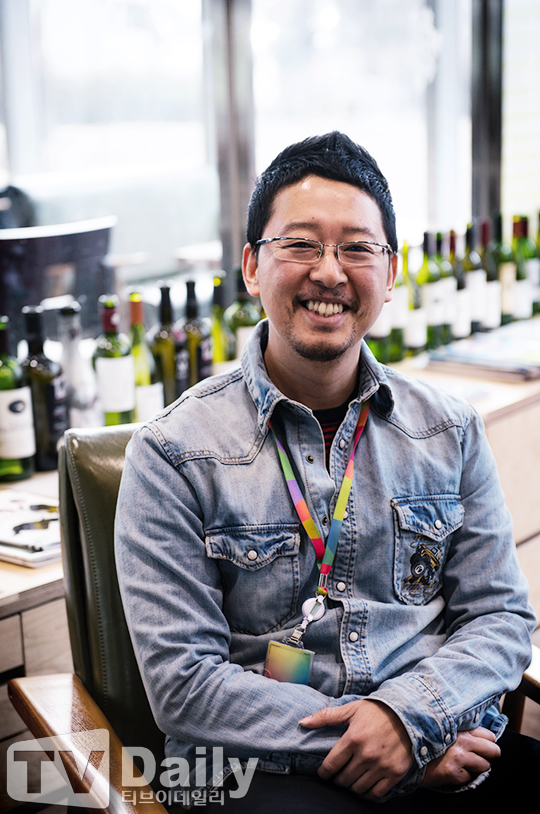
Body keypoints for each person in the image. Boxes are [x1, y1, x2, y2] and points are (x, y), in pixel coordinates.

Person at [115, 132, 538, 812]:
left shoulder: (449, 430)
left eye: (357, 248)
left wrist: (410, 718)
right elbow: (184, 685)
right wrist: (391, 746)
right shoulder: (172, 453)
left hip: (441, 739)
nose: (330, 272)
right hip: (261, 770)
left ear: (391, 274)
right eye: (301, 244)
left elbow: (500, 617)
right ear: (252, 267)